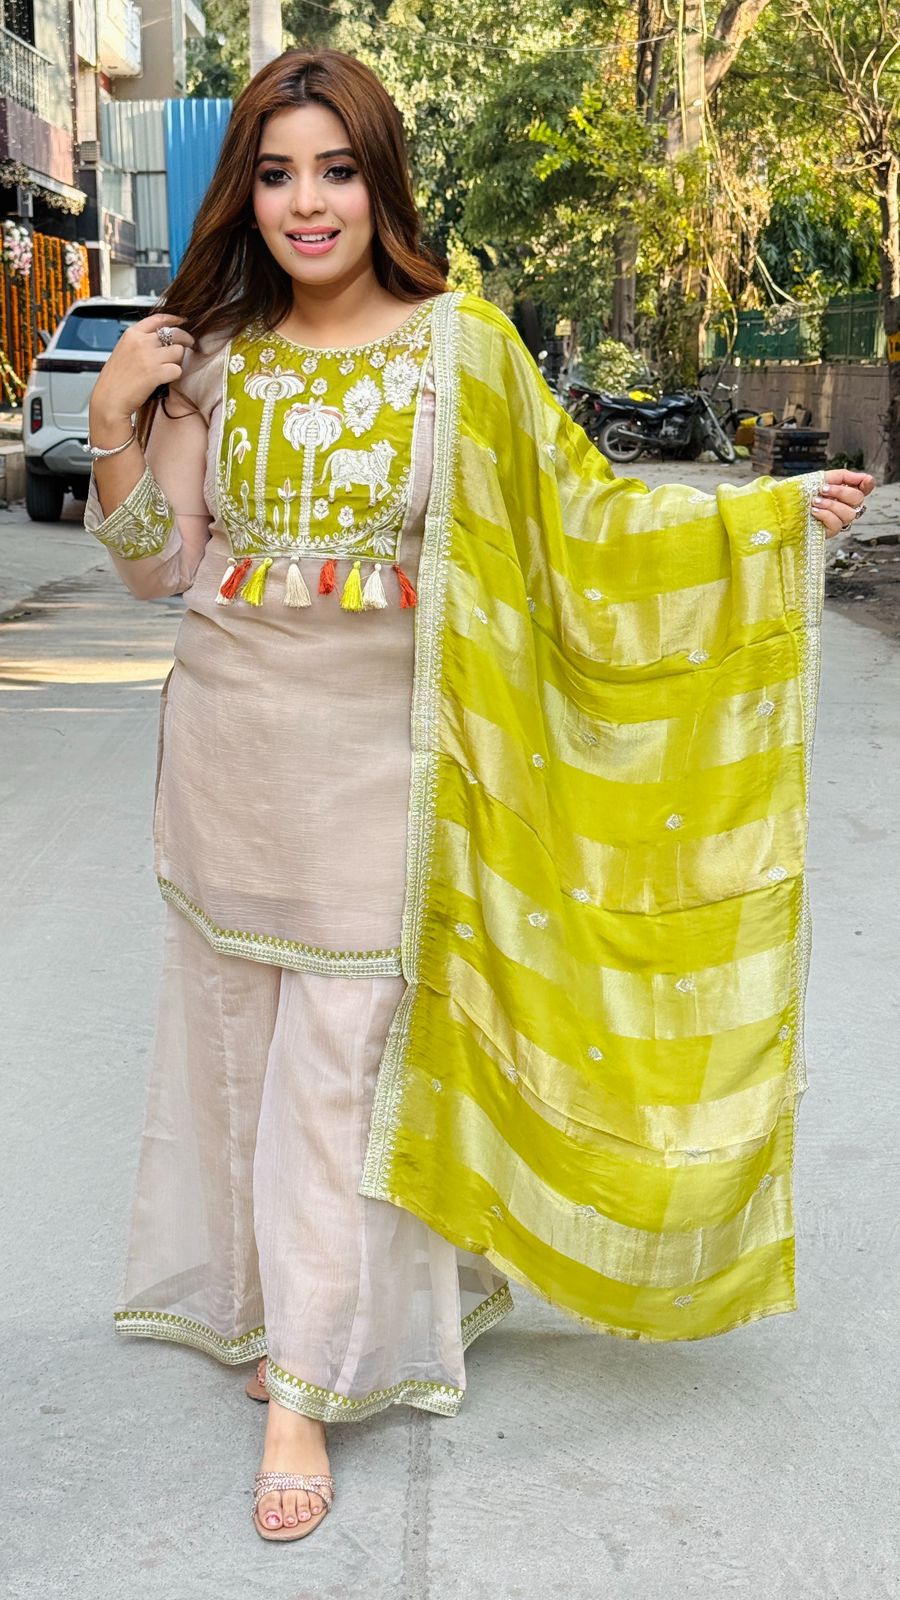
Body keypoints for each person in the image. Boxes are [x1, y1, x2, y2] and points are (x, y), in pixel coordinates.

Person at [84, 48, 874, 1546]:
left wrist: (758, 524)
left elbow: (587, 518)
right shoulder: (218, 353)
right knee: (249, 1061)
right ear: (243, 193)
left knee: (339, 1079)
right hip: (229, 762)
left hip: (389, 771)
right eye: (276, 173)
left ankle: (305, 1389)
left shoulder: (464, 347)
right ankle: (301, 1312)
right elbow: (158, 569)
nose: (307, 202)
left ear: (379, 181)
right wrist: (121, 417)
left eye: (335, 169)